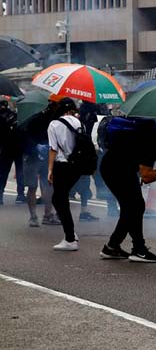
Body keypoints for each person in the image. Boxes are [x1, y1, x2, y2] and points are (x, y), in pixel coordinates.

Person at [99, 118, 156, 263]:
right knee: (135, 206)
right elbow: (147, 176)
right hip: (113, 168)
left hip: (126, 169)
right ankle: (138, 250)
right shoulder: (152, 142)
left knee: (131, 208)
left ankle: (112, 247)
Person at [47, 98, 84, 251]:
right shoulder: (79, 123)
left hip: (62, 165)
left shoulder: (54, 124)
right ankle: (71, 234)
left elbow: (53, 149)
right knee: (61, 198)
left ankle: (70, 238)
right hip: (77, 166)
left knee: (58, 199)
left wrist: (50, 169)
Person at [22, 100, 58, 228]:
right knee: (35, 186)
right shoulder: (37, 119)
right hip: (34, 156)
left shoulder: (54, 120)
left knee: (48, 185)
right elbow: (25, 135)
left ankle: (44, 216)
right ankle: (36, 216)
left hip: (45, 155)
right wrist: (35, 147)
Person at [0, 99, 26, 205]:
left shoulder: (1, 118)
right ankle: (20, 195)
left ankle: (0, 194)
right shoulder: (20, 117)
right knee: (20, 172)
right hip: (19, 147)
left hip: (6, 148)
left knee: (3, 172)